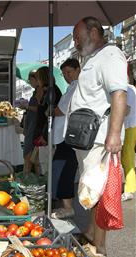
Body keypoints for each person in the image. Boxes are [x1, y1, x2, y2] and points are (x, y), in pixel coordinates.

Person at [69, 16, 127, 257]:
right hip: (89, 138)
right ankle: (92, 232)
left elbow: (119, 95)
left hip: (102, 139)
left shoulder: (111, 55)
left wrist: (114, 136)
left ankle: (99, 246)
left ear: (93, 32)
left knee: (100, 190)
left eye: (77, 36)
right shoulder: (93, 57)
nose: (75, 42)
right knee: (91, 189)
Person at [51, 58, 80, 219]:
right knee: (61, 170)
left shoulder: (77, 87)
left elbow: (61, 110)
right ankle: (66, 205)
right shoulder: (72, 87)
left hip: (69, 136)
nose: (67, 76)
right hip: (64, 136)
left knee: (64, 171)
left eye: (69, 72)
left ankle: (68, 207)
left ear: (78, 70)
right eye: (64, 74)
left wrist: (51, 110)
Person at [20, 70, 43, 176]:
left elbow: (40, 109)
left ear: (36, 79)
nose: (30, 82)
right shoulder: (36, 91)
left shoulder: (39, 90)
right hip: (33, 126)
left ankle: (27, 178)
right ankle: (33, 179)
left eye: (30, 80)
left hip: (34, 127)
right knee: (33, 157)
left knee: (29, 156)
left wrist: (26, 106)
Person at [121, 82, 136, 201]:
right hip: (130, 125)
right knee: (127, 157)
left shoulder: (127, 89)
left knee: (127, 157)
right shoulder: (130, 88)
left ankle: (130, 189)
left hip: (129, 126)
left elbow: (127, 110)